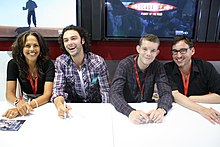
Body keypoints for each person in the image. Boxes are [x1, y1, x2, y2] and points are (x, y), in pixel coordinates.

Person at [110, 34, 173, 124]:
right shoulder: (125, 65)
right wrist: (130, 112)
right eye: (145, 49)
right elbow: (114, 94)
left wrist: (161, 110)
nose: (148, 54)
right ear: (138, 49)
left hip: (147, 111)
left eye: (153, 51)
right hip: (126, 111)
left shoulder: (158, 66)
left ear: (157, 53)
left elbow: (166, 92)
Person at [51, 25, 110, 118]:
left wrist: (104, 112)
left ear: (82, 41)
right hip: (73, 108)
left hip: (95, 107)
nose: (69, 43)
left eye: (73, 38)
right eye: (66, 40)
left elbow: (105, 91)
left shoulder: (98, 62)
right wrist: (59, 106)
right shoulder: (61, 62)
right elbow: (58, 90)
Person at [164, 35, 220, 124]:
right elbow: (175, 95)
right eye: (175, 52)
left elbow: (219, 96)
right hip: (176, 114)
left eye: (183, 51)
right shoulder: (167, 69)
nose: (178, 56)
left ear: (192, 51)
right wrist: (202, 110)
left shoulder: (206, 67)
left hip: (200, 118)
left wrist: (193, 99)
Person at [2, 30, 55, 119]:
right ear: (21, 48)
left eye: (35, 45)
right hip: (24, 101)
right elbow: (9, 93)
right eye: (27, 46)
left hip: (44, 103)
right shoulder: (13, 64)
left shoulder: (48, 64)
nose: (32, 49)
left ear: (40, 48)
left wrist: (24, 107)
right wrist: (18, 104)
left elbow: (47, 95)